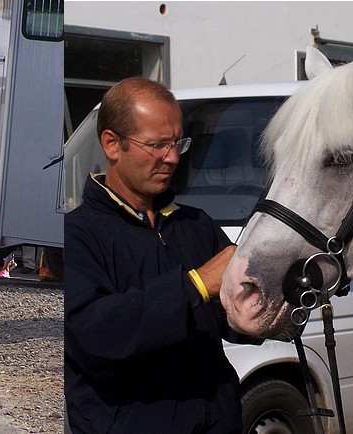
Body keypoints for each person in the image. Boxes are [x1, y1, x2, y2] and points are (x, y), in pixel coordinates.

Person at [64, 77, 260, 433]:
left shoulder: (195, 224)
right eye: (156, 145)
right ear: (111, 144)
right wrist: (196, 285)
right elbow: (98, 335)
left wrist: (276, 298)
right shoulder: (77, 234)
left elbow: (235, 323)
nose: (171, 158)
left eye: (177, 144)